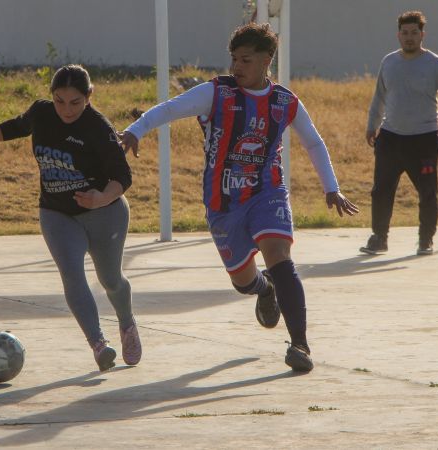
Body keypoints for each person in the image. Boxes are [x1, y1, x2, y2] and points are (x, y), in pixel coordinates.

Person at [121, 23, 358, 372]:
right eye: (234, 59)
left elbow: (314, 142)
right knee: (242, 281)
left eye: (245, 60)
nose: (237, 67)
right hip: (223, 201)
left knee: (279, 255)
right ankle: (264, 290)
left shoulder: (284, 102)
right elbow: (170, 109)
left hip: (267, 191)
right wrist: (136, 129)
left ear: (266, 60)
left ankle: (300, 345)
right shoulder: (217, 93)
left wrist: (331, 187)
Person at [0, 65, 140, 372]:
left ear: (89, 96)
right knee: (71, 273)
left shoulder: (97, 127)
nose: (66, 109)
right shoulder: (41, 113)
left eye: (75, 102)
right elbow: (14, 127)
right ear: (50, 96)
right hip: (57, 212)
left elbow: (123, 175)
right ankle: (99, 344)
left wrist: (101, 198)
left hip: (104, 213)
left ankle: (127, 324)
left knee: (111, 280)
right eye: (59, 100)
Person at [362, 10, 438, 256]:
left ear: (422, 35)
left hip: (424, 140)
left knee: (428, 191)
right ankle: (379, 238)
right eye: (405, 33)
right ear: (398, 35)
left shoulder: (436, 64)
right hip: (390, 138)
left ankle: (425, 239)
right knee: (381, 190)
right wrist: (371, 125)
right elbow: (379, 97)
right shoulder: (389, 62)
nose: (409, 37)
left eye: (414, 33)